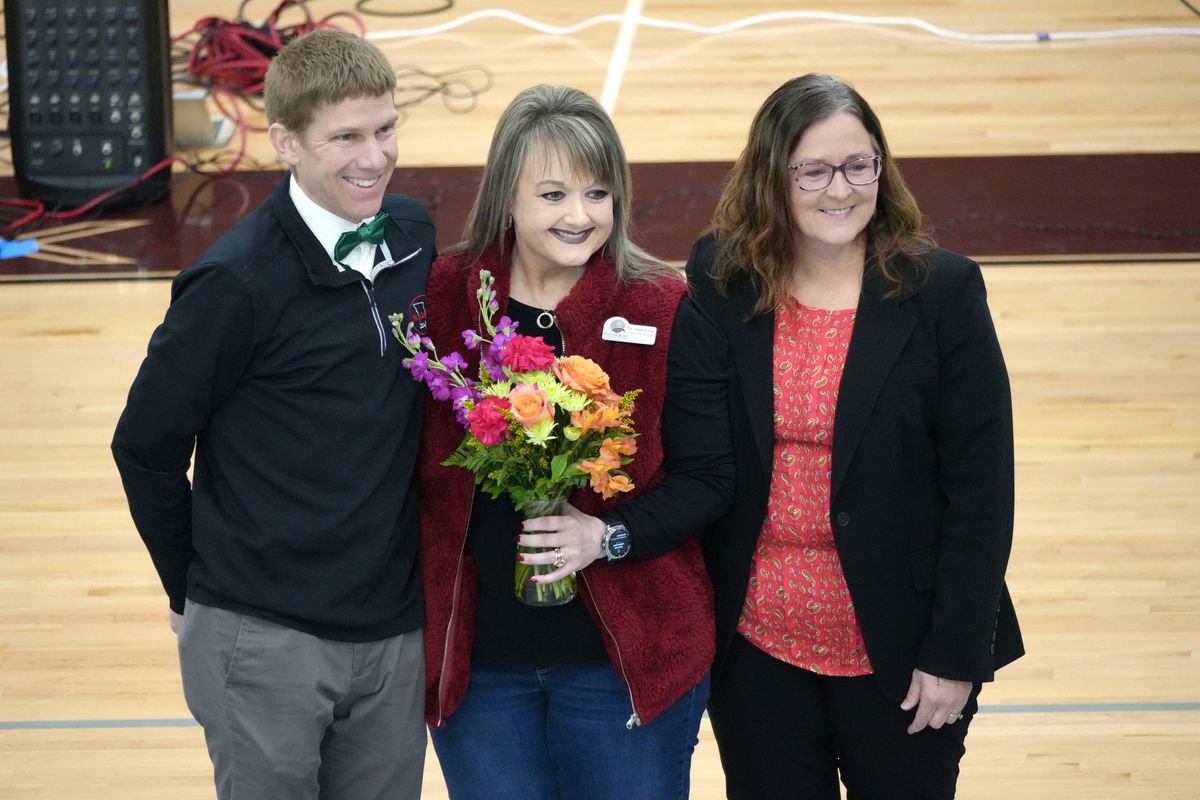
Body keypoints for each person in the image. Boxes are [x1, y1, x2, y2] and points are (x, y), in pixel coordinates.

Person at [111, 29, 434, 800]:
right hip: (265, 636)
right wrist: (191, 590)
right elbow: (145, 445)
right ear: (286, 142)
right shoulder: (234, 283)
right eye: (346, 137)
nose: (375, 157)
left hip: (394, 632)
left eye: (385, 129)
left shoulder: (414, 237)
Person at [685, 73, 1025, 799]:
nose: (839, 189)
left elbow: (982, 491)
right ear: (772, 177)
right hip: (756, 648)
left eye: (857, 165)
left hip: (904, 650)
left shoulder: (943, 291)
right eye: (812, 170)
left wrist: (955, 654)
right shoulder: (722, 275)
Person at [417, 84, 733, 800]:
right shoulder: (442, 297)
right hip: (479, 672)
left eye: (597, 193)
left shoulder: (663, 306)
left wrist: (606, 536)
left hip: (622, 667)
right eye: (553, 194)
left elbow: (710, 477)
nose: (580, 216)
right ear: (506, 196)